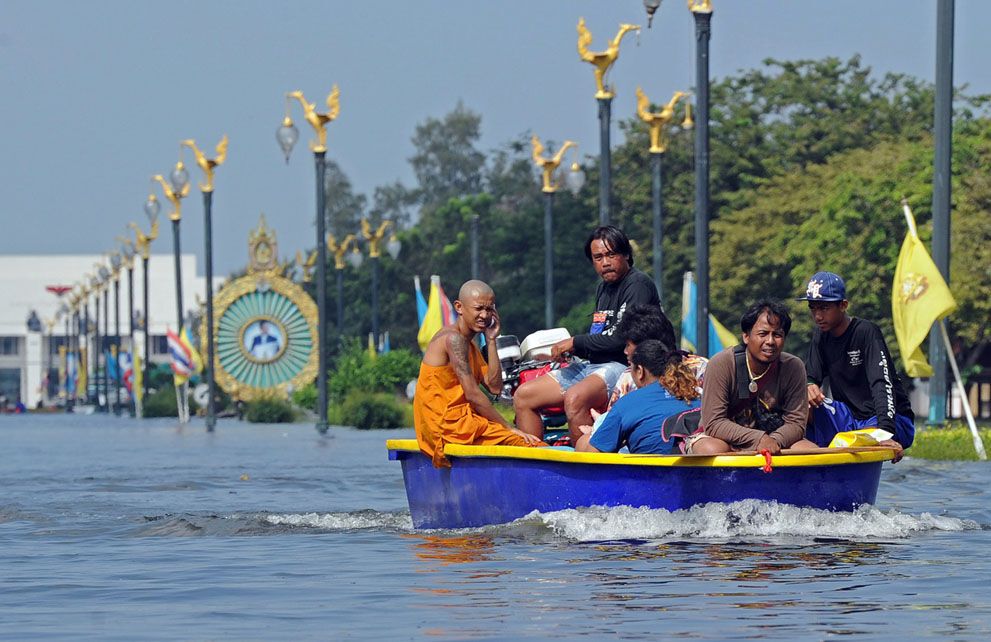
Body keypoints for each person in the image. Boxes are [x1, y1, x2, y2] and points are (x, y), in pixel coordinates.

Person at [513, 226, 660, 441]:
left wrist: (575, 342)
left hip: (623, 364)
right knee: (523, 396)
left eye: (611, 255)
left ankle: (584, 463)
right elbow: (600, 332)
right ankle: (535, 463)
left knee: (575, 398)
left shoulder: (638, 284)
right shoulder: (603, 288)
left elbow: (621, 340)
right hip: (592, 365)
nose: (605, 262)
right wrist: (573, 351)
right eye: (598, 257)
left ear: (626, 255)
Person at [414, 280, 543, 468]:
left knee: (528, 441)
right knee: (528, 444)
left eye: (489, 309)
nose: (484, 315)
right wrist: (509, 428)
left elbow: (495, 386)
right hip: (446, 427)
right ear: (459, 307)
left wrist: (491, 340)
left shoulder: (470, 344)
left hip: (463, 423)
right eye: (478, 309)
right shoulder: (453, 339)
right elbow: (473, 394)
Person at [798, 271, 913, 461]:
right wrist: (809, 386)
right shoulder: (820, 335)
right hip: (850, 419)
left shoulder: (866, 332)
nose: (818, 316)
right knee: (800, 401)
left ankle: (866, 441)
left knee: (862, 441)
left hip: (889, 419)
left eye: (824, 308)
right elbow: (812, 376)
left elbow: (882, 384)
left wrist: (885, 432)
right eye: (813, 308)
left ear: (843, 305)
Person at [690, 300, 818, 455]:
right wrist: (759, 439)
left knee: (809, 451)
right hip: (725, 438)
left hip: (775, 439)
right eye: (763, 334)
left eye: (777, 335)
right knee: (712, 449)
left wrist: (774, 440)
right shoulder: (721, 364)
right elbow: (714, 423)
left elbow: (796, 423)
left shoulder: (794, 367)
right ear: (746, 336)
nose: (770, 341)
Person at [575, 340, 701, 454]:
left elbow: (592, 455)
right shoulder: (694, 396)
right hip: (693, 472)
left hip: (649, 475)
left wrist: (592, 436)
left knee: (583, 442)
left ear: (640, 371)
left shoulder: (628, 403)